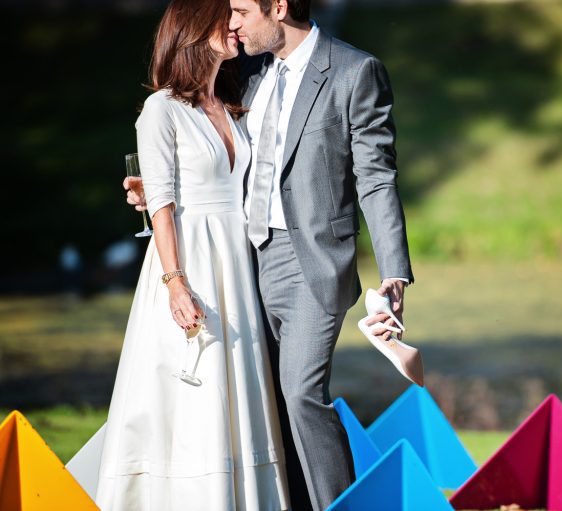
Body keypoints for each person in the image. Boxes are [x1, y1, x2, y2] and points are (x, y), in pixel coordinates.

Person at [126, 0, 415, 508]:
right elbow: (211, 162)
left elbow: (375, 177)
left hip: (313, 263)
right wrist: (155, 192)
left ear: (278, 6)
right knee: (268, 404)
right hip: (241, 262)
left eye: (240, 10)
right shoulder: (249, 78)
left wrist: (394, 271)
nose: (232, 23)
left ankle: (342, 504)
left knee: (302, 392)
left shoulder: (354, 71)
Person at [97, 0, 290, 509]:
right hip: (193, 261)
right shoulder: (161, 108)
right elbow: (161, 202)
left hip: (239, 262)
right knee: (195, 389)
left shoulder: (231, 103)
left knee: (240, 389)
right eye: (222, 16)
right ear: (192, 28)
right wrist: (174, 281)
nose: (233, 25)